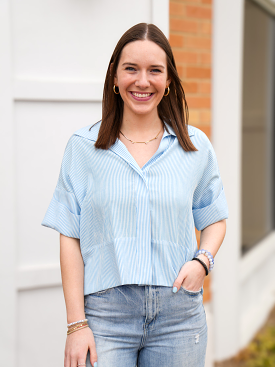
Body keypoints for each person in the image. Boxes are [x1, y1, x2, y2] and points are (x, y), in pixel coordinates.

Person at [42, 23, 228, 367]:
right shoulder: (82, 148)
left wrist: (202, 262)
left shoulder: (196, 146)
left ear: (168, 80)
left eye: (155, 70)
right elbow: (69, 235)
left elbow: (214, 219)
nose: (142, 81)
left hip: (179, 316)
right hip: (105, 319)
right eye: (131, 69)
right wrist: (76, 323)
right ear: (115, 76)